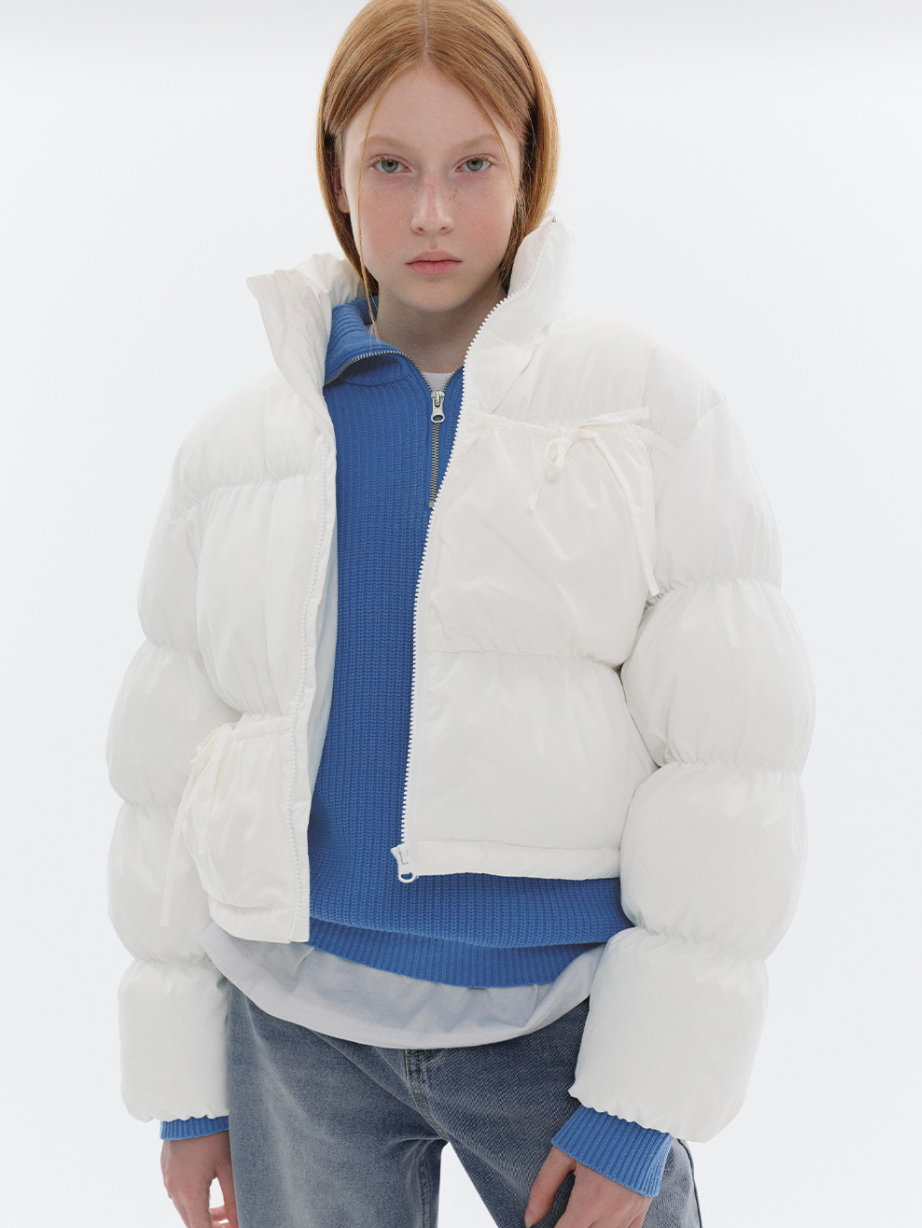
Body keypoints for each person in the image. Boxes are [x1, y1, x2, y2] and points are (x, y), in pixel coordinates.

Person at [106, 2, 814, 1226]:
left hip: (559, 1031)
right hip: (293, 1032)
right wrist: (184, 1093)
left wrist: (639, 1104)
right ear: (336, 171)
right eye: (390, 165)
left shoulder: (647, 414)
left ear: (529, 167)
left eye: (472, 164)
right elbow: (167, 775)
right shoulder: (240, 452)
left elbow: (730, 768)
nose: (431, 210)